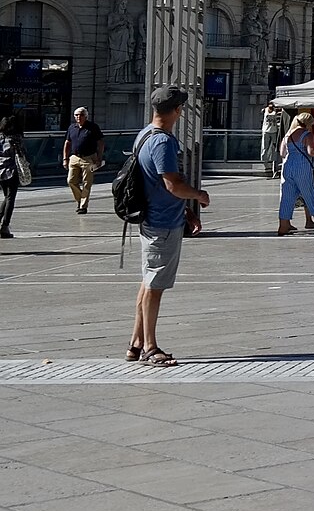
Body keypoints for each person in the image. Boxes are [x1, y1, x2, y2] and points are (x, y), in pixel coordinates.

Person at [126, 85, 212, 366]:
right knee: (154, 286)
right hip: (161, 223)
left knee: (148, 280)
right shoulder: (163, 141)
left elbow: (157, 184)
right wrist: (197, 195)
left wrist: (186, 212)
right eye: (181, 108)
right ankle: (151, 347)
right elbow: (171, 184)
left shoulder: (144, 134)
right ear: (176, 111)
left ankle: (136, 342)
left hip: (155, 218)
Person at [277, 111, 314, 235]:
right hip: (302, 167)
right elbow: (311, 152)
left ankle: (283, 226)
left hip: (288, 166)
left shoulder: (288, 135)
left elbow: (282, 153)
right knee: (310, 194)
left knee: (287, 197)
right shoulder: (307, 135)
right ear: (308, 123)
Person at [64, 106, 106, 214]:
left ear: (86, 116)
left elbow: (100, 142)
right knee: (71, 181)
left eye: (81, 115)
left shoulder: (93, 127)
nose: (79, 117)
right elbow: (67, 143)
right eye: (77, 115)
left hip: (89, 158)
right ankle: (80, 199)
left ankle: (83, 206)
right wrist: (65, 158)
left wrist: (99, 158)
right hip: (74, 157)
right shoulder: (72, 128)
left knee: (87, 182)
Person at [0, 113, 23, 241]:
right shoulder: (16, 138)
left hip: (0, 170)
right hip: (12, 170)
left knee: (6, 196)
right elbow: (22, 153)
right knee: (10, 197)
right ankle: (5, 225)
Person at [260, 104, 286, 179]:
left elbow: (280, 110)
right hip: (266, 131)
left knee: (274, 149)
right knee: (265, 147)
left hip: (274, 131)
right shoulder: (265, 110)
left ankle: (273, 165)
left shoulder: (276, 110)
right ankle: (265, 163)